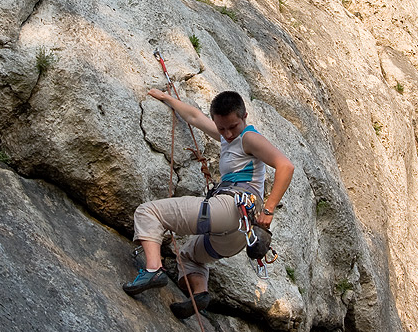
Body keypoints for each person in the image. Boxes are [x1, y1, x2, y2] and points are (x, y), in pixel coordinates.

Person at [123, 88, 295, 318]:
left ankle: (153, 269)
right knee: (188, 256)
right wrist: (167, 98)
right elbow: (195, 117)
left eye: (233, 126)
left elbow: (285, 165)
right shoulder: (228, 137)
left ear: (244, 116)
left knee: (148, 212)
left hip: (232, 208)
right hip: (236, 236)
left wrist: (269, 208)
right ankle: (199, 294)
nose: (227, 134)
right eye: (221, 128)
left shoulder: (249, 138)